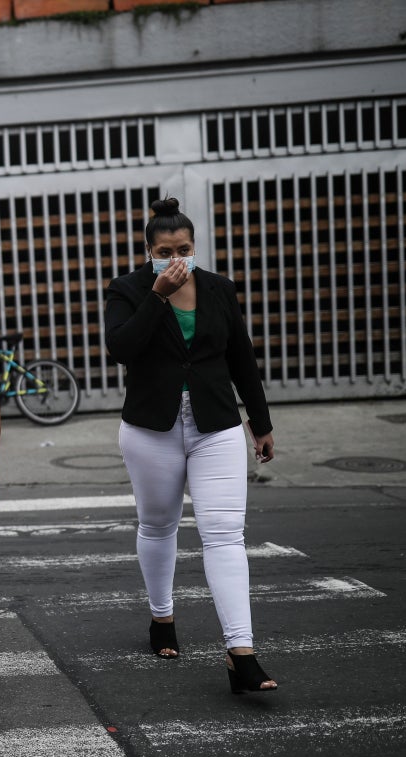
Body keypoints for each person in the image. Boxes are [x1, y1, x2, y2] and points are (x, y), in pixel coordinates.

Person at [104, 197, 278, 694]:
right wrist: (157, 296)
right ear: (149, 251)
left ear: (194, 246)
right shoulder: (127, 290)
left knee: (225, 534)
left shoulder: (219, 289)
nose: (176, 258)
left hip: (215, 425)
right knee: (158, 524)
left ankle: (241, 652)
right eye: (165, 251)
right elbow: (121, 348)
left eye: (183, 249)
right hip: (150, 429)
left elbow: (240, 355)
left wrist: (260, 422)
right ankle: (162, 616)